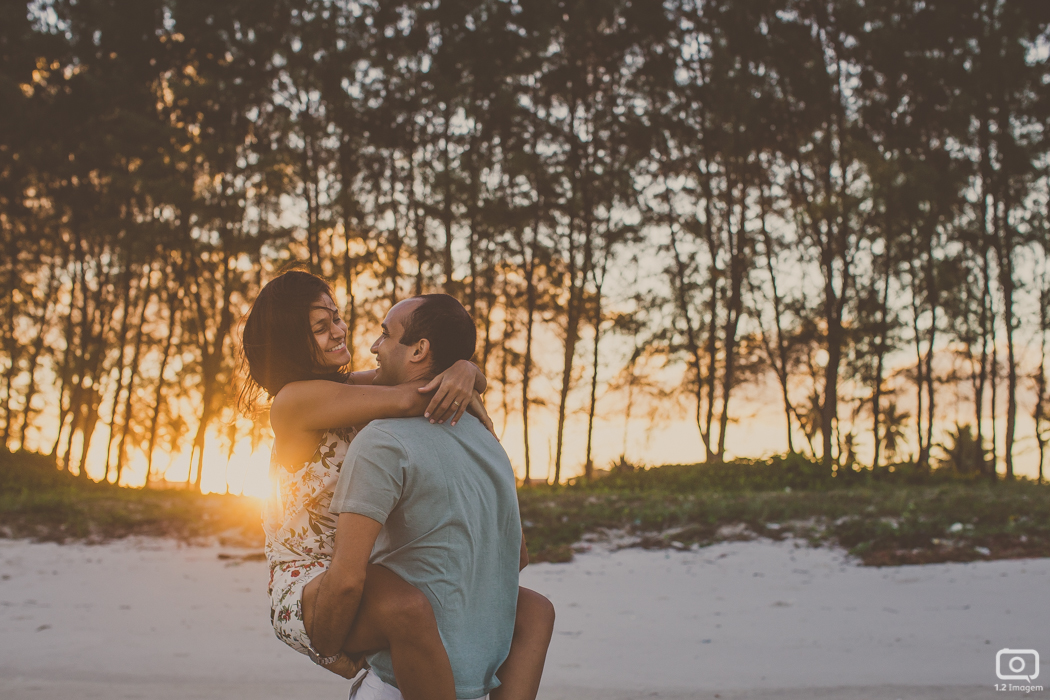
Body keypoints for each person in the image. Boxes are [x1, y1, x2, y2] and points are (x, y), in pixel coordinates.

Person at [239, 270, 553, 700]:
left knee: (533, 610)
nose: (339, 330)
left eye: (336, 316)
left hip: (365, 567)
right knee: (407, 609)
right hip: (308, 581)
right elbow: (411, 394)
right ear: (294, 339)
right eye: (321, 325)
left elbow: (414, 379)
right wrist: (463, 375)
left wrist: (465, 369)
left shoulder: (346, 387)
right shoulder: (292, 400)